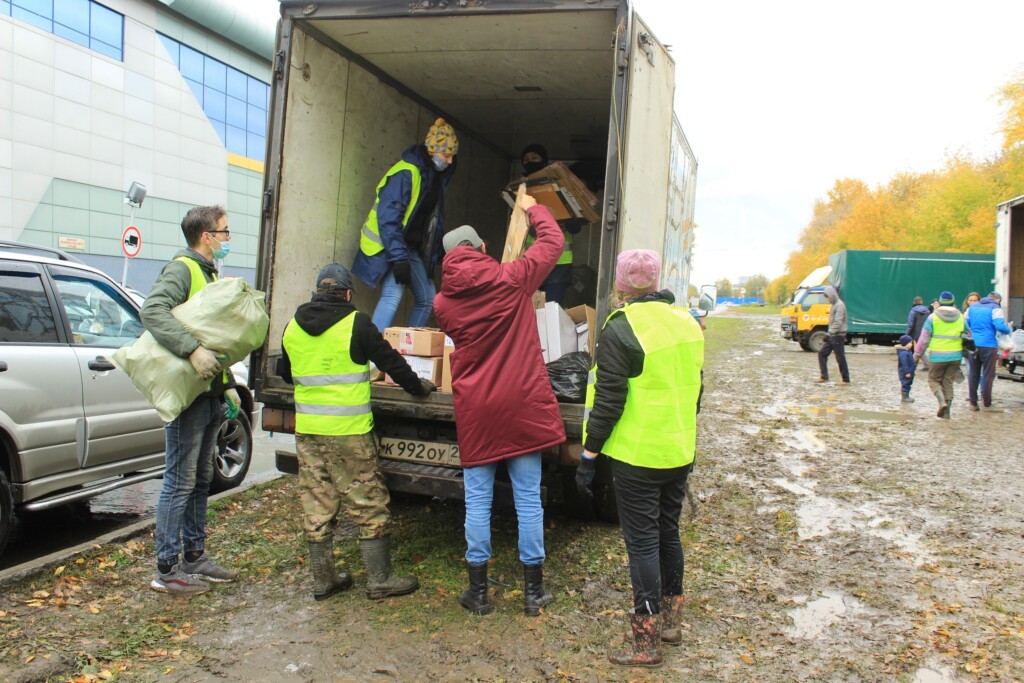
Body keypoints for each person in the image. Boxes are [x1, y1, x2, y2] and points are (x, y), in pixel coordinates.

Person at [433, 192, 565, 618]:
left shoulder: (441, 304)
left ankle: (479, 594)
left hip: (478, 410)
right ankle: (532, 594)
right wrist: (532, 209)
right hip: (522, 404)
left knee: (478, 500)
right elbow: (553, 241)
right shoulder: (514, 278)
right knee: (528, 499)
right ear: (483, 249)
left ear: (448, 259)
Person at [576, 249, 704, 668]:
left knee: (643, 543)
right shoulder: (688, 322)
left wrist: (589, 453)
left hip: (637, 455)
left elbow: (609, 401)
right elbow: (696, 391)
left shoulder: (621, 327)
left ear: (621, 285)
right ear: (655, 281)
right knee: (669, 533)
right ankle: (671, 622)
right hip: (678, 450)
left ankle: (645, 642)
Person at [279, 264, 435, 601]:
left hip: (309, 432)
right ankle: (379, 580)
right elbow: (391, 361)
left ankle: (324, 580)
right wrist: (418, 387)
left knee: (317, 503)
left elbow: (284, 371)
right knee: (369, 502)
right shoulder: (356, 324)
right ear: (348, 294)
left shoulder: (292, 327)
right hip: (349, 433)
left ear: (317, 291)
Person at [141, 205, 240, 595]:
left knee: (200, 478)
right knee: (179, 481)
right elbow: (152, 311)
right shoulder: (182, 269)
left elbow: (214, 335)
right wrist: (192, 350)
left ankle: (195, 556)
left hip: (208, 390)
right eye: (225, 232)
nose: (228, 238)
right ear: (206, 236)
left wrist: (226, 382)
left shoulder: (207, 272)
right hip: (188, 394)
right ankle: (166, 569)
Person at [353, 118, 459, 331]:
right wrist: (399, 258)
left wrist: (437, 255)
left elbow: (431, 223)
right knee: (393, 294)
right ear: (431, 151)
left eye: (452, 156)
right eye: (446, 155)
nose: (449, 161)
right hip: (387, 244)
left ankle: (408, 351)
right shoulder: (406, 173)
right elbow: (388, 219)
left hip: (407, 246)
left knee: (427, 298)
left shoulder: (434, 177)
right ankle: (375, 358)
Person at [518, 143, 583, 305]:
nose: (530, 162)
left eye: (535, 158)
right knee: (530, 310)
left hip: (558, 264)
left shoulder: (560, 188)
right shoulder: (521, 192)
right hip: (533, 261)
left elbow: (576, 227)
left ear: (544, 161)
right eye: (526, 159)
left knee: (551, 312)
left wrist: (565, 217)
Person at [914, 290, 964, 419]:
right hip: (956, 356)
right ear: (953, 302)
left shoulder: (933, 317)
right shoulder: (960, 316)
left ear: (940, 302)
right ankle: (947, 413)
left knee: (933, 379)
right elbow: (969, 334)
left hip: (937, 356)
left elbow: (923, 339)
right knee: (948, 382)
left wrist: (917, 355)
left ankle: (941, 402)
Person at [964, 291, 1014, 410]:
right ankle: (987, 403)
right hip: (988, 345)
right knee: (988, 374)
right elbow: (1000, 326)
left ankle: (973, 403)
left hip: (973, 344)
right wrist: (1008, 331)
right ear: (997, 300)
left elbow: (965, 324)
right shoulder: (995, 308)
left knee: (973, 373)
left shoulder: (972, 308)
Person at [815, 285, 850, 384]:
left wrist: (829, 333)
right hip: (832, 335)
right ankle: (824, 376)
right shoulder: (834, 305)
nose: (827, 299)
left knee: (840, 357)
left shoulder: (840, 305)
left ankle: (846, 379)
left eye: (827, 297)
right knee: (822, 353)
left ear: (832, 295)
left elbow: (838, 322)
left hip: (838, 335)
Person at [906, 296, 932, 370]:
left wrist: (907, 334)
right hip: (925, 332)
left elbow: (910, 324)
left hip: (915, 333)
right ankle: (918, 364)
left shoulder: (913, 311)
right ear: (921, 302)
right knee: (922, 347)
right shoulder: (927, 311)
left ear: (914, 302)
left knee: (918, 348)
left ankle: (925, 364)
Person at [897, 334, 916, 403]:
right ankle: (905, 397)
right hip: (905, 373)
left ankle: (906, 396)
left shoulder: (907, 352)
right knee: (905, 384)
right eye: (910, 343)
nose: (911, 344)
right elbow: (904, 363)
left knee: (908, 384)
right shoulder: (904, 353)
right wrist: (907, 372)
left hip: (909, 372)